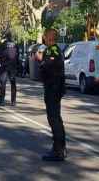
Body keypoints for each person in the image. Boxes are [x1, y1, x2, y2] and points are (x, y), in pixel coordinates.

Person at [37, 28, 67, 161]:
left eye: (44, 36)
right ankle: (59, 148)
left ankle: (58, 150)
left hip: (53, 87)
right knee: (56, 118)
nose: (43, 38)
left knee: (53, 118)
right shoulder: (56, 49)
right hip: (56, 87)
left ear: (48, 37)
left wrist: (40, 60)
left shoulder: (51, 50)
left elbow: (49, 65)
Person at [0, 31, 19, 106]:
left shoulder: (3, 44)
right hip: (13, 67)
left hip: (4, 66)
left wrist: (2, 59)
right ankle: (13, 101)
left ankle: (2, 101)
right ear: (11, 37)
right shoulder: (15, 45)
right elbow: (18, 55)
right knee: (13, 84)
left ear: (6, 37)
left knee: (3, 84)